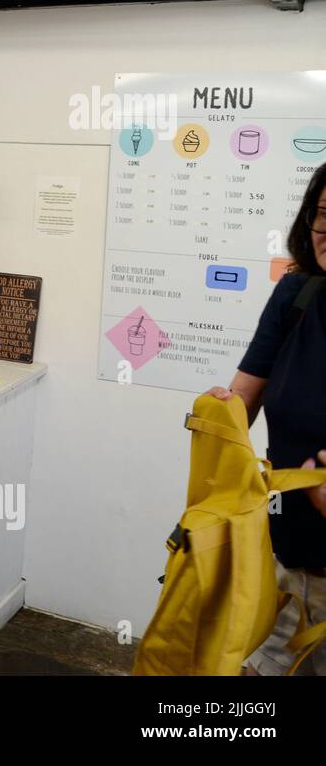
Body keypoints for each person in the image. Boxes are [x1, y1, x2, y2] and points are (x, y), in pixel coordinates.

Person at [208, 162, 326, 676]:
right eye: (323, 217)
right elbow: (242, 399)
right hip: (281, 558)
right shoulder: (296, 296)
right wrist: (219, 416)